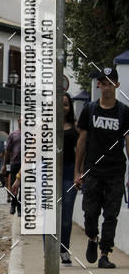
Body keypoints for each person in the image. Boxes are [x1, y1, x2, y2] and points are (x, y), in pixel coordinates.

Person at [75, 67, 129, 269]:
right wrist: (77, 171)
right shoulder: (89, 110)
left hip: (115, 170)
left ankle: (105, 253)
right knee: (90, 212)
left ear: (117, 84)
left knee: (111, 214)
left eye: (109, 83)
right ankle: (92, 237)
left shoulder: (124, 112)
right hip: (92, 170)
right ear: (98, 84)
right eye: (102, 83)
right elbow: (82, 141)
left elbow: (128, 142)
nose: (106, 87)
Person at [60, 93, 78, 265]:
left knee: (66, 216)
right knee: (50, 216)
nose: (63, 108)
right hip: (50, 174)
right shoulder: (46, 126)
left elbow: (81, 151)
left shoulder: (75, 127)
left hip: (69, 173)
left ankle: (64, 250)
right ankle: (48, 251)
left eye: (66, 104)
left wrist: (79, 173)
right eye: (60, 104)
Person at [3, 119, 22, 215]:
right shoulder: (13, 134)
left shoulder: (31, 134)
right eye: (21, 119)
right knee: (14, 186)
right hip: (14, 163)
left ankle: (20, 208)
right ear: (18, 121)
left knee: (23, 187)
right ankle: (13, 205)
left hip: (26, 164)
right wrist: (5, 165)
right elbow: (7, 150)